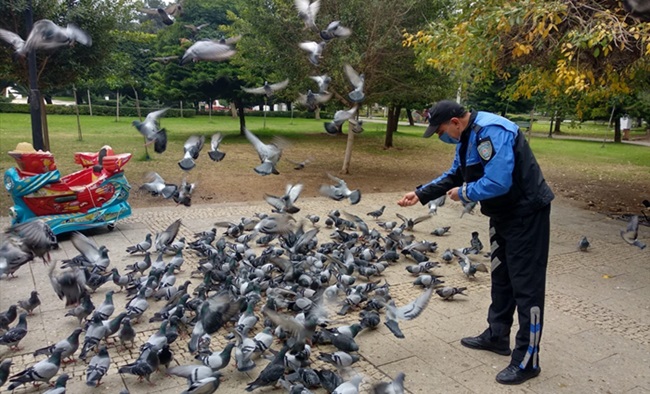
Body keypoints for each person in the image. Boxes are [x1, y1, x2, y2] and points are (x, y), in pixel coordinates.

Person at [397, 100, 554, 385]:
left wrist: (466, 192)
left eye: (442, 130)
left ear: (456, 122)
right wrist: (421, 194)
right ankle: (497, 335)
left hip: (527, 214)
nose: (442, 136)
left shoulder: (493, 131)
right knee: (502, 278)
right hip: (503, 215)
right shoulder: (467, 138)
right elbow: (456, 174)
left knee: (526, 287)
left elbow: (499, 181)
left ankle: (528, 359)